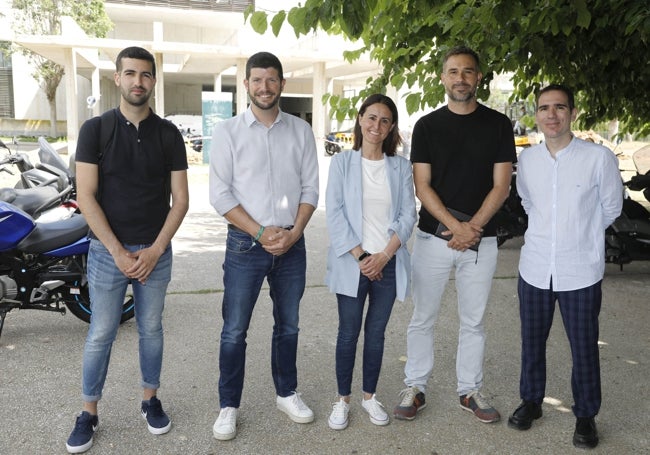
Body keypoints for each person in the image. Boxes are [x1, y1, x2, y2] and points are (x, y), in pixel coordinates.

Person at [66, 46, 189, 453]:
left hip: (156, 252)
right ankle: (88, 412)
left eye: (146, 75)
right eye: (131, 73)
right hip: (107, 254)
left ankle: (150, 401)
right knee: (101, 332)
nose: (139, 81)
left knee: (151, 329)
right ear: (117, 78)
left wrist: (154, 250)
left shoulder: (169, 134)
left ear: (154, 81)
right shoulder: (96, 130)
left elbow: (181, 200)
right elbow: (86, 196)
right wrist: (118, 252)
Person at [393, 45, 516, 423]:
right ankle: (415, 386)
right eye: (453, 71)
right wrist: (456, 226)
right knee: (423, 317)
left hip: (482, 241)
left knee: (474, 321)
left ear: (478, 77)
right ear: (443, 78)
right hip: (433, 239)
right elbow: (422, 186)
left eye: (468, 71)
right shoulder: (428, 127)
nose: (460, 78)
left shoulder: (498, 124)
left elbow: (502, 186)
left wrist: (472, 228)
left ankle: (470, 390)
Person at [209, 51, 319, 441]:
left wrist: (294, 232)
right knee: (234, 330)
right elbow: (220, 195)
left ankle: (286, 393)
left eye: (272, 80)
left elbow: (310, 189)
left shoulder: (300, 131)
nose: (265, 87)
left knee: (288, 325)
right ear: (247, 85)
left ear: (282, 84)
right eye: (257, 80)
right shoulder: (227, 132)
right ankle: (228, 405)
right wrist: (259, 232)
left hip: (293, 242)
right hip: (245, 245)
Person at [507, 84, 623, 449]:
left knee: (584, 346)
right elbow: (527, 202)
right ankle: (531, 401)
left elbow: (611, 207)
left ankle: (586, 416)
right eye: (544, 108)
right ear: (536, 115)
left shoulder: (597, 158)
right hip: (536, 267)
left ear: (572, 112)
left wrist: (580, 234)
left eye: (559, 107)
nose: (551, 114)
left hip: (580, 271)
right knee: (531, 341)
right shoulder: (528, 160)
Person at [325, 94, 416, 430]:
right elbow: (334, 214)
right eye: (372, 117)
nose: (377, 126)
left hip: (388, 262)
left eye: (385, 120)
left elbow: (409, 214)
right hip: (354, 263)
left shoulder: (400, 167)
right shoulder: (342, 163)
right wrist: (363, 256)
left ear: (391, 128)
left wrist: (384, 255)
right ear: (360, 119)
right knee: (348, 333)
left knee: (376, 333)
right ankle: (342, 400)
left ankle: (369, 397)